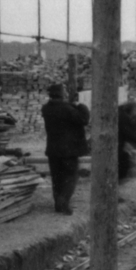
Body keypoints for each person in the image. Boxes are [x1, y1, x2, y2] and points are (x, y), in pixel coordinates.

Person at [41, 83, 89, 215]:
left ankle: (58, 203)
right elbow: (84, 119)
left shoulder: (46, 108)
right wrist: (81, 105)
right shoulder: (68, 109)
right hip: (69, 150)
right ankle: (63, 201)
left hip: (53, 149)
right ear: (62, 94)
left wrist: (71, 105)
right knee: (70, 176)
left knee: (57, 177)